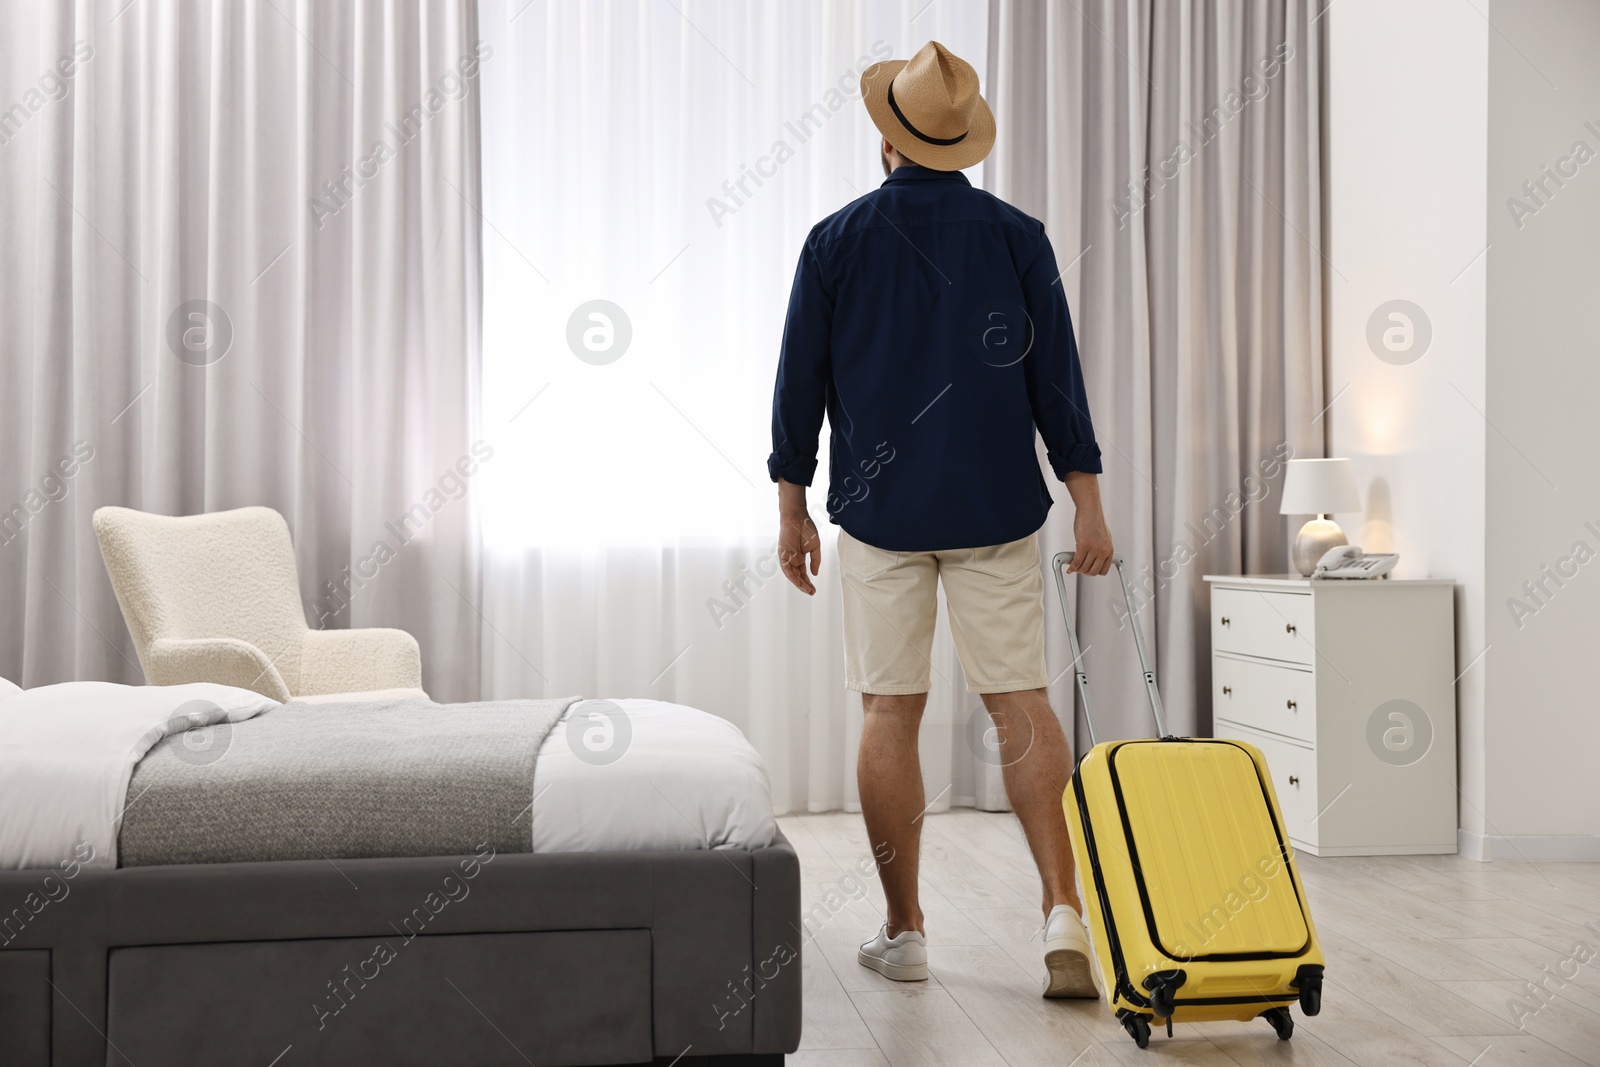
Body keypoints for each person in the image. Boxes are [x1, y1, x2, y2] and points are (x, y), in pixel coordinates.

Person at [766, 40, 1113, 998]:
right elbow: (1059, 384)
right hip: (997, 503)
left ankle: (905, 929)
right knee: (1021, 700)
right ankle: (1063, 916)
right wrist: (1088, 501)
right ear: (961, 144)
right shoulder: (1017, 235)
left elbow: (799, 385)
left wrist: (790, 505)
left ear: (888, 140)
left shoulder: (836, 241)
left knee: (890, 708)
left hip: (881, 511)